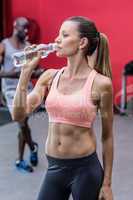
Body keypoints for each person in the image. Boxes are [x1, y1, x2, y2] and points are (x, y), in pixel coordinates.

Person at [12, 16, 113, 199]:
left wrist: (106, 184)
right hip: (54, 168)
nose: (57, 39)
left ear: (82, 42)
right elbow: (18, 114)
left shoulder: (100, 84)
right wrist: (25, 73)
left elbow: (107, 136)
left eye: (64, 35)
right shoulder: (49, 77)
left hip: (85, 170)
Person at [0, 17, 39, 172]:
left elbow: (34, 69)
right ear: (15, 26)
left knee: (22, 123)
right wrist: (17, 74)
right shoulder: (4, 46)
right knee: (22, 122)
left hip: (26, 89)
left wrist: (39, 72)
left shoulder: (28, 47)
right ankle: (32, 147)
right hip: (10, 91)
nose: (26, 30)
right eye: (24, 27)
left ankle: (20, 160)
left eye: (28, 28)